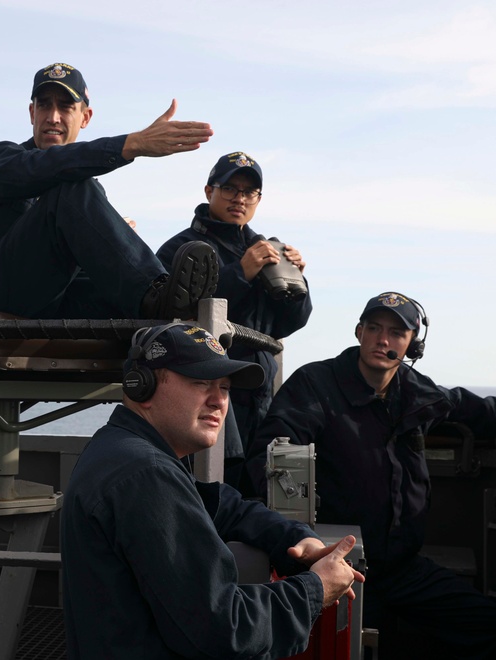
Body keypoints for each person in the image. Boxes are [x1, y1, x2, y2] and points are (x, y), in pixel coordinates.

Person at [61, 322, 362, 659]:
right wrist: (316, 589)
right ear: (140, 387)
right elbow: (224, 630)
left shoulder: (126, 451)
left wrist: (294, 537)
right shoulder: (146, 473)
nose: (219, 401)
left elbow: (223, 505)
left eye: (224, 386)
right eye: (200, 382)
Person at [245, 291, 496, 658]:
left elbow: (471, 409)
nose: (383, 340)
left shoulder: (413, 390)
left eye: (396, 332)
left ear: (412, 345)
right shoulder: (316, 385)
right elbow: (271, 453)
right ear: (359, 332)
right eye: (375, 328)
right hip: (340, 569)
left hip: (402, 568)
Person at [0, 62, 219, 323]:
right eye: (44, 105)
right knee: (75, 187)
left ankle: (175, 317)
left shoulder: (81, 193)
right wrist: (132, 144)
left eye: (65, 107)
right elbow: (48, 167)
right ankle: (157, 295)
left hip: (54, 297)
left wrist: (116, 244)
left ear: (85, 117)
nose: (53, 117)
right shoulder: (0, 160)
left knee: (128, 303)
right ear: (32, 113)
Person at [156, 152, 310, 491]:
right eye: (230, 188)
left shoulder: (267, 250)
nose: (239, 198)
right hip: (204, 391)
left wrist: (296, 282)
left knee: (253, 488)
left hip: (259, 393)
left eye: (249, 192)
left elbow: (288, 324)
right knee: (208, 489)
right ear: (209, 190)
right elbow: (170, 314)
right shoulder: (180, 249)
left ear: (258, 200)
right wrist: (240, 273)